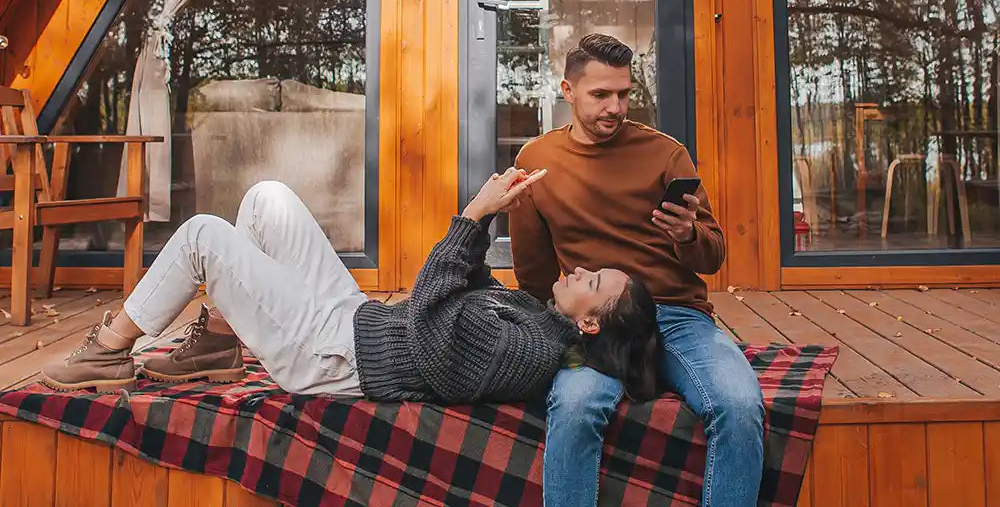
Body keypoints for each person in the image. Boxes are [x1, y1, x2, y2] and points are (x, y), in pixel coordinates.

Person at [41, 170, 661, 407]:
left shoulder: (531, 352)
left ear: (591, 323)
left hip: (333, 357)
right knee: (267, 198)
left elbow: (430, 324)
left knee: (204, 234)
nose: (582, 270)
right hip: (354, 321)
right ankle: (218, 347)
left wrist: (472, 219)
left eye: (596, 282)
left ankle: (108, 350)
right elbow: (462, 290)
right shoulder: (534, 315)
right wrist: (484, 219)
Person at [511, 33, 765, 507]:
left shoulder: (665, 153)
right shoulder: (537, 162)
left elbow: (713, 256)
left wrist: (688, 235)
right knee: (574, 406)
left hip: (676, 314)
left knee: (739, 404)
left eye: (624, 94)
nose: (615, 107)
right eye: (600, 95)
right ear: (568, 92)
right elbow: (534, 272)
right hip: (598, 326)